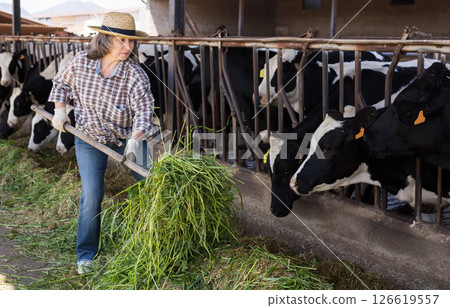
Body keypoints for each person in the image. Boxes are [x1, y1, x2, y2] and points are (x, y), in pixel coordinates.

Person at [49, 12, 154, 274]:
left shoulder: (135, 75)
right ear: (105, 39)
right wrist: (60, 111)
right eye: (122, 40)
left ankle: (152, 240)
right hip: (89, 139)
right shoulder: (81, 63)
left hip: (127, 139)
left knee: (152, 184)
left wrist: (133, 142)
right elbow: (60, 84)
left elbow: (144, 112)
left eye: (131, 42)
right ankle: (85, 255)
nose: (128, 47)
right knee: (92, 194)